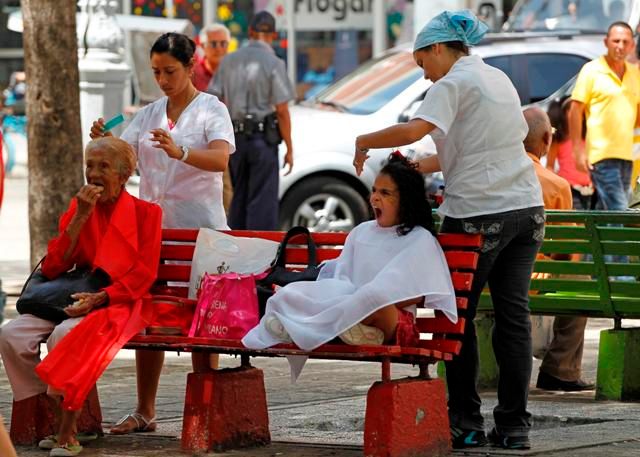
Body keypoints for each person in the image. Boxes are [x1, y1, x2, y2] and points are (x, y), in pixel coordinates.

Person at [352, 10, 544, 450]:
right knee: (514, 320)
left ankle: (466, 422)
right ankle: (515, 428)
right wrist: (420, 166)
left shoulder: (452, 82)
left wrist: (365, 140)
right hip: (526, 210)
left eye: (423, 64)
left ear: (439, 48)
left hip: (479, 213)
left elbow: (416, 127)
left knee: (454, 317)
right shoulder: (496, 78)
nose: (425, 76)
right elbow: (482, 147)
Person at [89, 32, 235, 435]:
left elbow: (221, 158)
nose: (163, 79)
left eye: (170, 71)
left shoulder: (211, 109)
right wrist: (105, 140)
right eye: (156, 72)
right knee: (148, 314)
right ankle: (145, 410)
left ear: (191, 67)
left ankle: (206, 410)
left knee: (203, 319)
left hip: (201, 231)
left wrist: (181, 152)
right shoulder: (150, 113)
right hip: (154, 231)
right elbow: (125, 157)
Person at [0, 137, 162, 456]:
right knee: (11, 335)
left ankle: (66, 426)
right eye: (90, 165)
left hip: (119, 300)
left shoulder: (147, 213)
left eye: (104, 166)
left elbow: (144, 274)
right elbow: (54, 264)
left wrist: (101, 297)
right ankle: (48, 407)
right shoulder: (80, 206)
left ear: (124, 173)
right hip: (74, 297)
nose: (94, 173)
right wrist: (79, 218)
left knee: (64, 335)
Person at [243, 153, 457, 379]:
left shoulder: (419, 238)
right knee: (295, 293)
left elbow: (418, 291)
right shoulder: (361, 231)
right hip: (350, 305)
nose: (374, 198)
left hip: (391, 320)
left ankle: (314, 326)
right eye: (374, 190)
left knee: (373, 298)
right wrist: (342, 296)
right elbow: (343, 278)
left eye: (385, 193)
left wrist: (367, 299)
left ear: (406, 199)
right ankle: (329, 327)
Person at [522, 108, 595, 392]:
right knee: (582, 283)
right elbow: (567, 252)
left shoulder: (488, 174)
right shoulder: (554, 184)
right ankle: (560, 370)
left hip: (483, 277)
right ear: (545, 139)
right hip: (531, 278)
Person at [210, 10, 294, 230]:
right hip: (263, 140)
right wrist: (290, 148)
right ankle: (260, 259)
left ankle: (235, 254)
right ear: (273, 35)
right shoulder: (275, 63)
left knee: (239, 200)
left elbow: (213, 101)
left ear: (250, 32)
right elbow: (282, 110)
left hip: (235, 138)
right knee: (262, 203)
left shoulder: (228, 61)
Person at [570, 21, 640, 211]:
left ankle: (597, 241)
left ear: (632, 45)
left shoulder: (635, 73)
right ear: (606, 42)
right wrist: (578, 150)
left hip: (627, 156)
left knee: (608, 213)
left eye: (625, 42)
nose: (620, 46)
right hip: (601, 156)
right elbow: (574, 110)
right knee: (619, 210)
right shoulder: (591, 70)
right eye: (616, 41)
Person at [193, 23, 234, 213]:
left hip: (238, 135)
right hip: (205, 140)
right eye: (214, 44)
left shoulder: (236, 71)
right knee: (220, 190)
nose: (219, 49)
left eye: (223, 43)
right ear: (202, 46)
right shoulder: (192, 73)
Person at [546, 95, 596, 210]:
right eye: (571, 109)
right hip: (570, 189)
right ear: (563, 114)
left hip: (592, 189)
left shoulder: (589, 136)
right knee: (578, 223)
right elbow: (549, 166)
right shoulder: (558, 140)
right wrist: (557, 185)